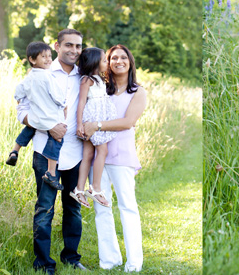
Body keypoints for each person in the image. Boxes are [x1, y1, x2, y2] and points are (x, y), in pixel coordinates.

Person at [16, 29, 86, 274]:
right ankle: (44, 263)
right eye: (69, 45)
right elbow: (21, 110)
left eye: (78, 46)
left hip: (76, 153)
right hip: (45, 153)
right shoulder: (39, 72)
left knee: (73, 207)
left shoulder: (84, 76)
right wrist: (48, 126)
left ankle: (71, 257)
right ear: (57, 46)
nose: (74, 50)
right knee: (45, 208)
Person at [81, 44, 147, 272]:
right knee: (102, 209)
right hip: (98, 158)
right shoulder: (101, 88)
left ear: (130, 62)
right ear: (107, 63)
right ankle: (109, 260)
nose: (118, 61)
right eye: (113, 58)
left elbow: (128, 122)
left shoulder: (137, 92)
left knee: (128, 207)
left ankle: (134, 262)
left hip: (122, 157)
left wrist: (96, 125)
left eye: (123, 58)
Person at [8, 41, 66, 190]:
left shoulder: (29, 77)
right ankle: (51, 173)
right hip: (50, 117)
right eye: (43, 56)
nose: (48, 59)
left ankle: (15, 150)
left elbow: (18, 93)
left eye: (49, 56)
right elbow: (58, 96)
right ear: (32, 60)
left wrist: (20, 99)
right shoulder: (48, 77)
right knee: (57, 139)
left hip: (35, 116)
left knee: (29, 129)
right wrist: (63, 104)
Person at [70, 47, 118, 208]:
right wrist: (79, 124)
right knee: (102, 151)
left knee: (88, 153)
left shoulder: (99, 79)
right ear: (94, 63)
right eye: (104, 60)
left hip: (99, 118)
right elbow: (81, 102)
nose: (107, 63)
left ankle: (78, 189)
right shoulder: (87, 80)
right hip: (92, 119)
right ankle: (95, 188)